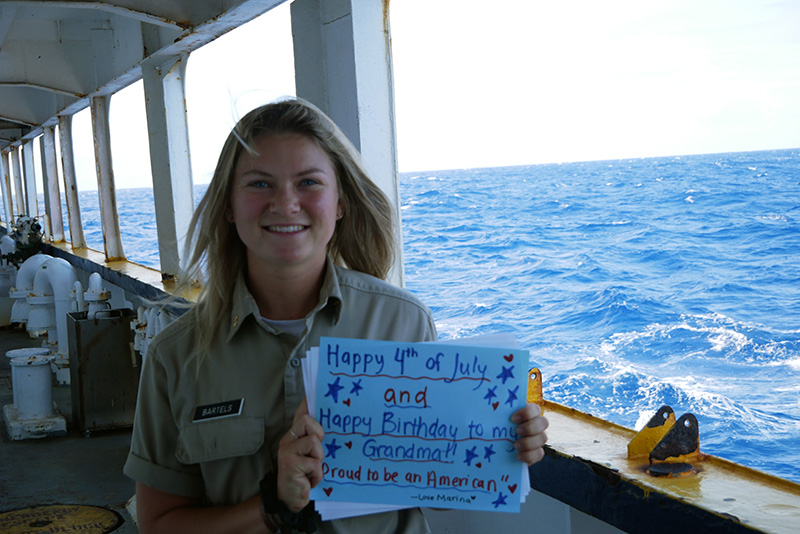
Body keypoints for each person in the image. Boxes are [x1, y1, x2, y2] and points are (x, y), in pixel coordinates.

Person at [123, 98, 549, 534]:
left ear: (341, 202)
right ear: (228, 206)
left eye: (308, 182)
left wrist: (504, 444)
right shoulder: (174, 357)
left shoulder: (403, 323)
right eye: (259, 184)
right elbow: (159, 525)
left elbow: (440, 484)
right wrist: (272, 505)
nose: (285, 203)